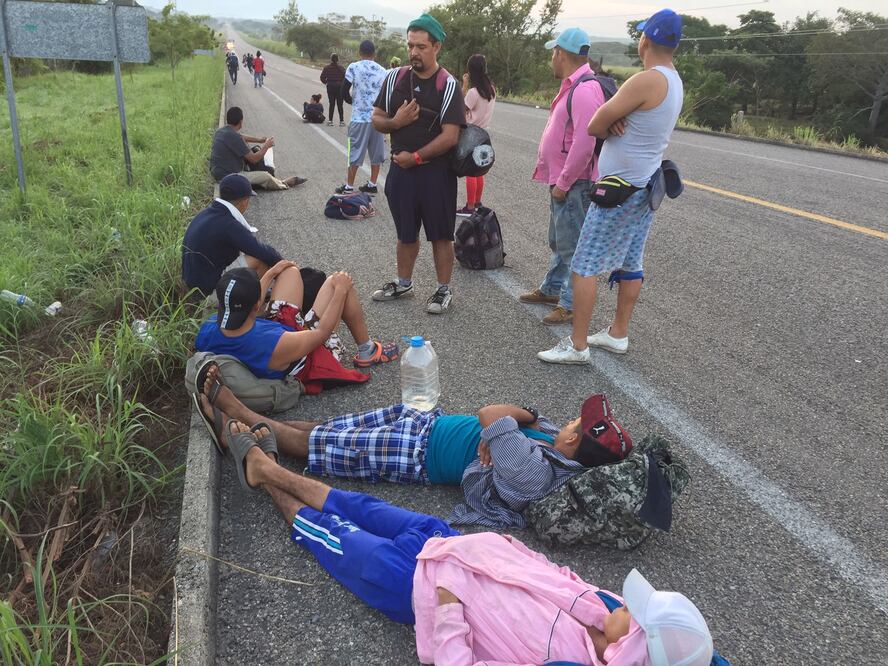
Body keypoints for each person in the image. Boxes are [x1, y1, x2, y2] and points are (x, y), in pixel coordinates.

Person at [200, 418, 718, 665]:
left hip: (415, 587)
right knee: (355, 504)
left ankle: (264, 471)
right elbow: (556, 574)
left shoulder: (568, 661)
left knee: (330, 534)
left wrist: (448, 608)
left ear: (635, 648)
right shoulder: (603, 606)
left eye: (634, 613)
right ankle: (269, 468)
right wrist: (505, 546)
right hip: (449, 543)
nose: (626, 603)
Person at [194, 365, 623, 526]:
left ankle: (232, 412)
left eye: (576, 422)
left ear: (573, 439)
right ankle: (243, 421)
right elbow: (507, 417)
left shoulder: (536, 471)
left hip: (414, 454)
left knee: (319, 444)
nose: (569, 419)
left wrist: (505, 423)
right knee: (328, 427)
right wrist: (515, 421)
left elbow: (491, 411)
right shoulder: (551, 444)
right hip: (425, 423)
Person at [539, 10, 684, 363]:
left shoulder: (645, 80)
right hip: (645, 186)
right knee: (631, 260)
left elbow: (594, 124)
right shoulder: (674, 80)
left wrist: (612, 118)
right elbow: (612, 120)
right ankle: (618, 332)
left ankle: (577, 345)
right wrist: (615, 118)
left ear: (645, 39)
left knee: (584, 264)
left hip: (620, 190)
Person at [370, 14, 465, 315]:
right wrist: (395, 122)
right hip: (401, 172)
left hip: (436, 173)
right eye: (410, 45)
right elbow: (376, 118)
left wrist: (417, 158)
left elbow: (451, 136)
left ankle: (443, 289)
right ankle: (403, 283)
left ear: (436, 47)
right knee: (405, 232)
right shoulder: (394, 78)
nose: (414, 52)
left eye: (421, 47)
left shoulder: (447, 85)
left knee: (441, 235)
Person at [196, 266, 397, 399]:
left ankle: (297, 282)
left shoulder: (209, 329)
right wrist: (341, 291)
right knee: (336, 281)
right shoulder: (273, 343)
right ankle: (367, 351)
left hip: (275, 340)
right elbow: (321, 333)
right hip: (304, 355)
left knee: (289, 272)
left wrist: (272, 272)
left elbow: (250, 314)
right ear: (257, 305)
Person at [520, 27, 606, 327]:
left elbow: (585, 144)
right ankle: (552, 288)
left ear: (561, 54)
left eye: (553, 53)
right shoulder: (573, 86)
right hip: (563, 181)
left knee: (573, 247)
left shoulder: (584, 90)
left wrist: (564, 183)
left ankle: (570, 304)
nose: (551, 59)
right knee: (560, 240)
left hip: (573, 184)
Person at [182, 174, 284, 297]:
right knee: (258, 259)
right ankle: (256, 302)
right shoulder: (228, 224)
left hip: (195, 288)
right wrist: (285, 266)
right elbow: (261, 251)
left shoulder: (207, 213)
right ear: (244, 201)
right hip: (211, 293)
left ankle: (254, 294)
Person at [210, 106, 307, 190]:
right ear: (241, 122)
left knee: (252, 152)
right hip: (228, 177)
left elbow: (241, 136)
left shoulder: (221, 131)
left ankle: (270, 181)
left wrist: (259, 140)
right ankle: (284, 183)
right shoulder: (235, 137)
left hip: (217, 172)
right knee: (265, 176)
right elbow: (254, 159)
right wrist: (266, 146)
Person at [336, 40, 387, 195]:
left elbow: (343, 91)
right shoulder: (383, 71)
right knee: (376, 153)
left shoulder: (353, 67)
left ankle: (349, 186)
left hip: (359, 118)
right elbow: (387, 95)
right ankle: (372, 184)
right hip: (378, 119)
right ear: (374, 54)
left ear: (360, 53)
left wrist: (353, 102)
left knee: (355, 151)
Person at [456, 53, 496, 217]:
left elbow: (460, 108)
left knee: (470, 171)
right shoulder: (491, 89)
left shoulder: (474, 92)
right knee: (479, 169)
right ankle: (477, 203)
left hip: (471, 134)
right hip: (483, 133)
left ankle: (470, 207)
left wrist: (464, 85)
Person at [320, 53, 346, 126]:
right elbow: (346, 78)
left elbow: (322, 78)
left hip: (330, 87)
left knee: (332, 104)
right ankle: (341, 121)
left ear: (331, 59)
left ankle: (330, 121)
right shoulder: (341, 68)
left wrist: (326, 83)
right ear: (338, 59)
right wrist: (342, 84)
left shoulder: (327, 68)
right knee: (340, 105)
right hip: (340, 88)